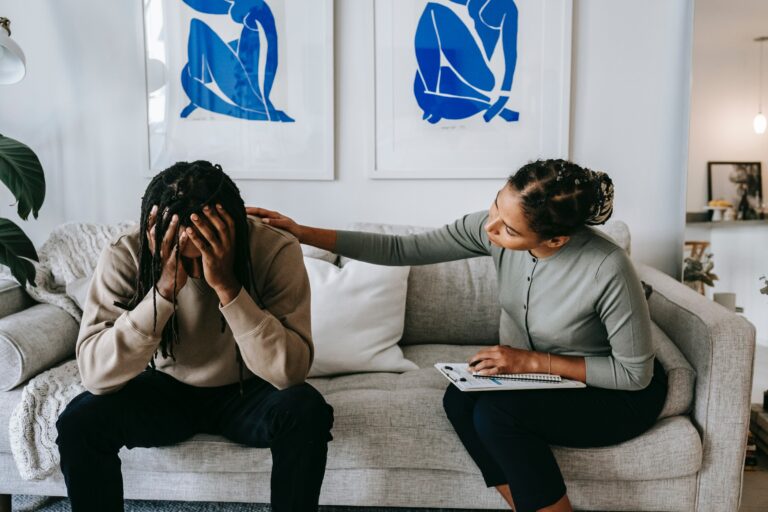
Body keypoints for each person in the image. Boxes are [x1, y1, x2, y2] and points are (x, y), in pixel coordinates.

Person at [246, 159, 667, 512]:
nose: (492, 229)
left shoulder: (607, 266)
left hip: (613, 394)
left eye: (510, 230)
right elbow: (402, 250)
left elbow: (634, 375)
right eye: (495, 207)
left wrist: (532, 362)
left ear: (556, 239)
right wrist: (301, 232)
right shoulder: (493, 228)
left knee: (495, 415)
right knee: (459, 398)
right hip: (548, 382)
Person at [56, 161, 333, 512]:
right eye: (185, 258)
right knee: (79, 421)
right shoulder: (126, 251)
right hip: (165, 388)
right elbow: (96, 375)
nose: (196, 270)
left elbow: (290, 373)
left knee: (306, 409)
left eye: (205, 255)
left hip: (250, 387)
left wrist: (227, 287)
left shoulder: (274, 248)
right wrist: (164, 290)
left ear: (233, 231)